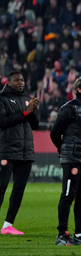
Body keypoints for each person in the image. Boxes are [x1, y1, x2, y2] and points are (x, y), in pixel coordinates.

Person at [50, 75, 81, 245]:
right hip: (73, 159)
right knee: (68, 195)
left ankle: (79, 234)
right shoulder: (69, 108)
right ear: (79, 89)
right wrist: (63, 149)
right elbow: (55, 133)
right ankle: (62, 234)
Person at [0, 71, 39, 235]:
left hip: (25, 152)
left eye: (22, 80)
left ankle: (8, 225)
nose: (20, 82)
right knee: (1, 188)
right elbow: (2, 122)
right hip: (7, 151)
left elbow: (35, 125)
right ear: (9, 82)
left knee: (19, 189)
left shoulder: (26, 99)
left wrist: (32, 110)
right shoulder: (1, 99)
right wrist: (25, 112)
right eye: (16, 80)